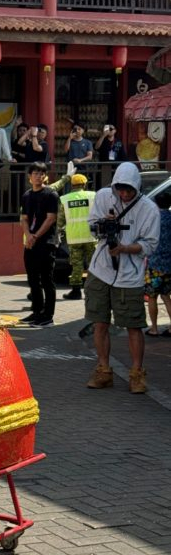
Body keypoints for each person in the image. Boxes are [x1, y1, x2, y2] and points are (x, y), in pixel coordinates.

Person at [84, 162, 160, 394]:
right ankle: (104, 370)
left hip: (129, 276)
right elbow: (91, 226)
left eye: (129, 190)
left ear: (137, 187)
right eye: (120, 189)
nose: (124, 194)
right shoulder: (103, 196)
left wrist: (125, 249)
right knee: (99, 323)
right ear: (114, 186)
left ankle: (137, 373)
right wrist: (102, 226)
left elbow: (150, 244)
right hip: (100, 270)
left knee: (134, 326)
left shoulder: (148, 209)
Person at [19, 162, 59, 327]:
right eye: (35, 173)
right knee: (32, 278)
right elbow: (24, 218)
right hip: (30, 243)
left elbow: (51, 219)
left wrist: (35, 236)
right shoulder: (27, 195)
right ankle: (36, 312)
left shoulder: (51, 194)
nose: (38, 176)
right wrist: (29, 235)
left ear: (45, 176)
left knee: (47, 279)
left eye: (41, 173)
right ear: (30, 176)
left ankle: (47, 316)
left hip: (46, 242)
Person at [57, 173, 96, 301]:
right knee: (93, 265)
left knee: (76, 265)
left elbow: (60, 221)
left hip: (74, 238)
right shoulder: (93, 196)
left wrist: (57, 232)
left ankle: (76, 291)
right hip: (91, 236)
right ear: (84, 185)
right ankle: (94, 291)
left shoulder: (65, 199)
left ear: (72, 185)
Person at [143, 190, 171, 337]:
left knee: (152, 297)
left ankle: (154, 328)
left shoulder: (153, 219)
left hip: (154, 264)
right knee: (166, 296)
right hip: (169, 264)